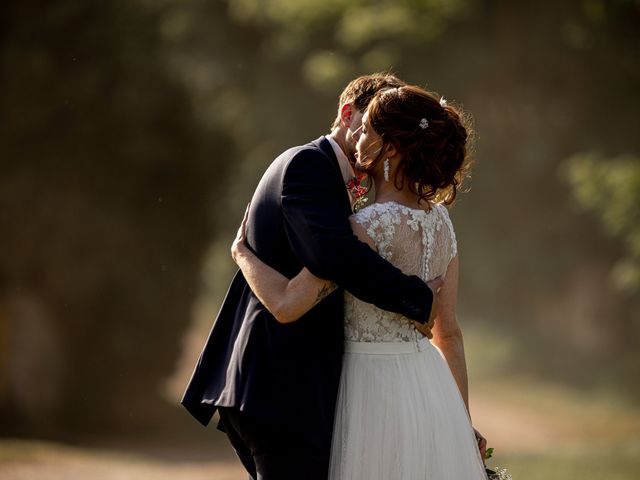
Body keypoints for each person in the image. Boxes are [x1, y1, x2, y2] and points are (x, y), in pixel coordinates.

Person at [181, 74, 444, 480]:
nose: (375, 139)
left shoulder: (331, 177)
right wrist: (417, 298)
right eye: (372, 123)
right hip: (278, 388)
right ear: (347, 114)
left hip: (284, 390)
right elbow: (333, 255)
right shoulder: (308, 164)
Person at [231, 85, 487, 479]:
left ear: (392, 148)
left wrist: (242, 254)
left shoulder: (361, 228)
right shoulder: (442, 224)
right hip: (430, 393)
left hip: (366, 393)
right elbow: (448, 333)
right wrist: (459, 421)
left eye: (367, 130)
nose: (358, 138)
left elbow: (287, 304)